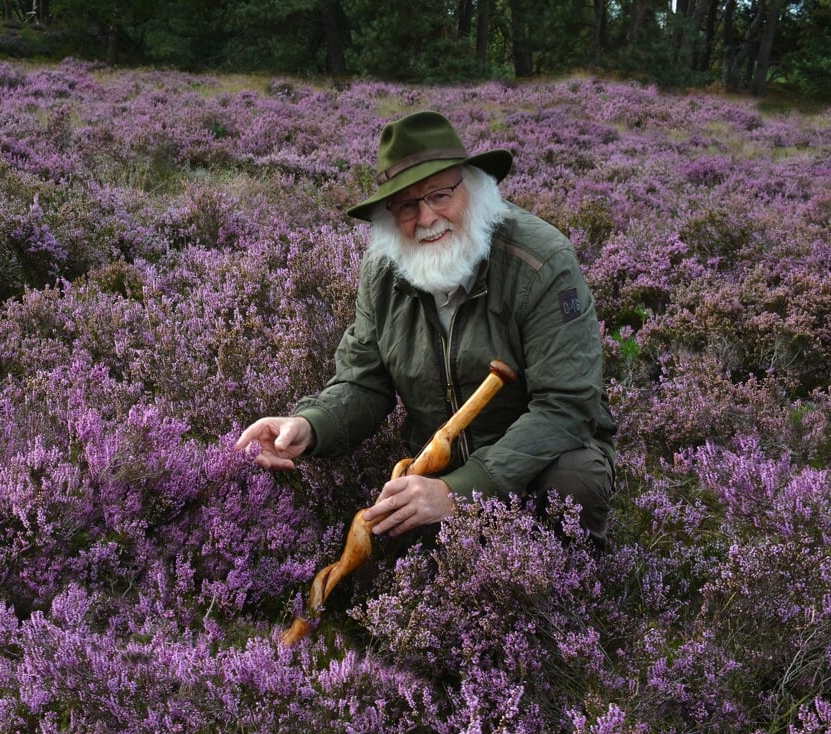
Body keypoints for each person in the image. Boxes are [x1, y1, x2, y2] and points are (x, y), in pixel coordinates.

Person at [236, 110, 617, 548]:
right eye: (407, 205)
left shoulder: (542, 262)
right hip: (439, 465)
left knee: (574, 482)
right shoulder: (383, 271)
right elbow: (364, 383)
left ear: (472, 188)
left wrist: (460, 491)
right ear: (390, 214)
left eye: (440, 194)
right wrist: (310, 425)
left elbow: (565, 406)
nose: (427, 217)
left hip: (538, 458)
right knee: (394, 545)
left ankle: (573, 590)